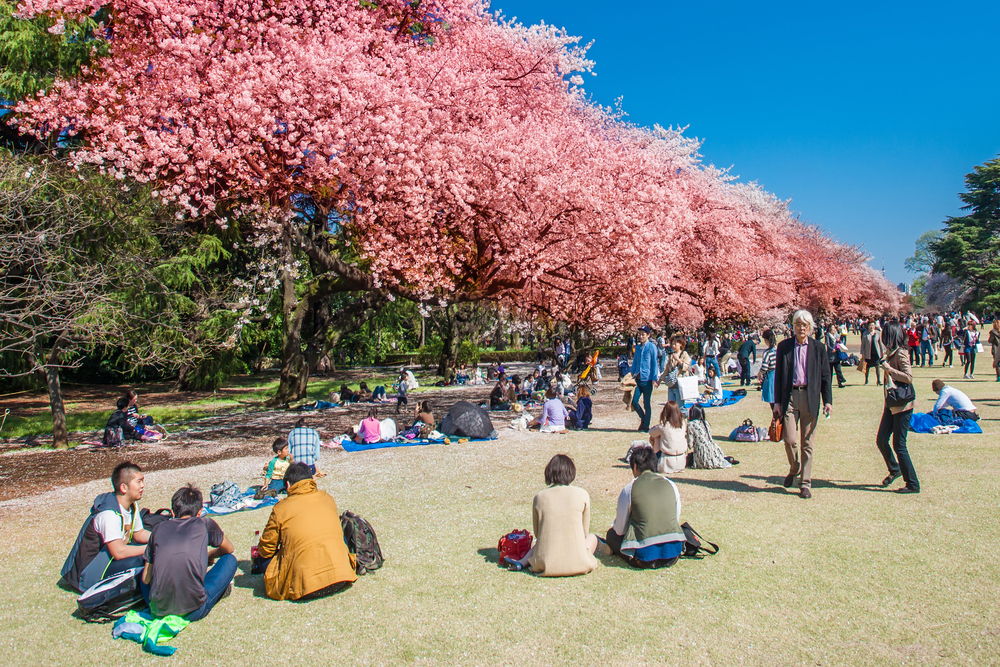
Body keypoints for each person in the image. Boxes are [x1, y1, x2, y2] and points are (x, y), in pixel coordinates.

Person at [254, 463, 358, 600]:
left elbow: (266, 550)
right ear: (311, 480)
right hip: (341, 577)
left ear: (288, 485)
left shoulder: (281, 509)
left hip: (305, 586)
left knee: (262, 560)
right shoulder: (327, 498)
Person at [141, 484, 237, 620]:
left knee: (144, 565)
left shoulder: (158, 529)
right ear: (200, 512)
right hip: (194, 610)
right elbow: (229, 548)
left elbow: (146, 578)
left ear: (173, 512)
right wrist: (210, 555)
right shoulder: (204, 524)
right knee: (230, 560)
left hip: (158, 610)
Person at [503, 455, 603, 576]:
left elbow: (538, 533)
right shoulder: (582, 494)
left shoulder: (539, 497)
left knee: (542, 541)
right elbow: (585, 532)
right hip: (579, 562)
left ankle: (521, 563)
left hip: (546, 562)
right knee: (592, 537)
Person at [62, 461, 151, 593]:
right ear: (124, 487)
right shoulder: (109, 514)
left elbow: (139, 533)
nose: (142, 486)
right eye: (139, 482)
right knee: (143, 561)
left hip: (109, 561)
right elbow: (118, 552)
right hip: (88, 574)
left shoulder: (131, 506)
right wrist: (151, 547)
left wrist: (160, 536)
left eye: (143, 481)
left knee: (146, 557)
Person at [772, 310, 833, 499]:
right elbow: (779, 376)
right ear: (793, 326)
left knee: (808, 443)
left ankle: (805, 483)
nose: (801, 328)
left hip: (810, 397)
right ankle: (794, 467)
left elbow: (825, 376)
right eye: (798, 324)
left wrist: (828, 401)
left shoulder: (818, 348)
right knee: (789, 439)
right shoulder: (784, 347)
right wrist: (777, 403)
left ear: (810, 328)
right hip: (790, 397)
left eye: (805, 325)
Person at [603, 447, 685, 569]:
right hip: (673, 554)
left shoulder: (630, 488)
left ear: (635, 466)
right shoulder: (671, 484)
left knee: (611, 535)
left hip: (644, 558)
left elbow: (620, 530)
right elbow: (676, 518)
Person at [876, 321, 920, 494]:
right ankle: (895, 468)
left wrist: (889, 369)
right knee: (881, 440)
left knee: (899, 444)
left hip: (903, 404)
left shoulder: (901, 353)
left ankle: (912, 483)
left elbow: (908, 377)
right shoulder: (890, 352)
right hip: (892, 402)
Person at [630, 325, 659, 433]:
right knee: (634, 402)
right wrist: (631, 374)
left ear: (648, 335)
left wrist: (655, 378)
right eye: (640, 334)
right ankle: (643, 418)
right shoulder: (637, 348)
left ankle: (646, 425)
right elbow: (635, 362)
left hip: (647, 379)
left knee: (646, 403)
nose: (641, 336)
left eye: (643, 334)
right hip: (638, 378)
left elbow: (655, 363)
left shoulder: (652, 347)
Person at [686, 404, 732, 469]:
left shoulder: (691, 425)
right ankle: (727, 459)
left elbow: (690, 445)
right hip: (714, 451)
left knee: (688, 458)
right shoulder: (706, 423)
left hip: (702, 455)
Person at [647, 401, 687, 474]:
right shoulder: (683, 424)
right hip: (681, 461)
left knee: (655, 436)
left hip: (667, 461)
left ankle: (655, 459)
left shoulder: (663, 426)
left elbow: (651, 432)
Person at [659, 334, 692, 406]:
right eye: (672, 344)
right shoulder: (671, 356)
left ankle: (684, 416)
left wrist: (678, 360)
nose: (673, 346)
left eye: (675, 344)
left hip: (680, 383)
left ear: (680, 344)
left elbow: (686, 367)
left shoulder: (684, 354)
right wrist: (660, 380)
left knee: (680, 407)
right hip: (671, 383)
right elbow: (667, 369)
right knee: (671, 406)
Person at [861, 320, 884, 386]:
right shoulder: (865, 333)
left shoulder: (877, 333)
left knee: (877, 367)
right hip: (868, 353)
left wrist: (882, 351)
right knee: (867, 367)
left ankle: (879, 381)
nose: (872, 327)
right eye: (870, 325)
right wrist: (863, 353)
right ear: (868, 326)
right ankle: (866, 380)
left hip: (876, 353)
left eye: (873, 325)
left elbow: (880, 343)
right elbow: (863, 344)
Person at [758, 329, 777, 406]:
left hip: (771, 377)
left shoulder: (768, 352)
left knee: (772, 401)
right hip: (779, 376)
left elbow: (764, 367)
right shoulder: (779, 350)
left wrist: (759, 374)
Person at [825, 323, 847, 389]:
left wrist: (839, 340)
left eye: (834, 328)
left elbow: (840, 342)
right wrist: (832, 349)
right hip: (830, 355)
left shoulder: (836, 335)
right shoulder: (827, 335)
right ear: (829, 329)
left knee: (838, 369)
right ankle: (829, 384)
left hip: (837, 355)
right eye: (831, 328)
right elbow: (827, 344)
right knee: (830, 371)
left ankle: (840, 382)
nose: (833, 330)